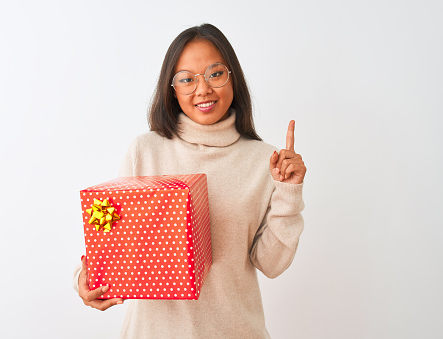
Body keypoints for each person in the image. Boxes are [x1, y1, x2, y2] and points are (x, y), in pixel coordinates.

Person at [74, 23, 306, 338]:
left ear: (232, 77)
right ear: (172, 88)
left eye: (215, 73)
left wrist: (289, 193)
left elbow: (271, 264)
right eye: (187, 79)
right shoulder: (146, 151)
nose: (203, 89)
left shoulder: (265, 161)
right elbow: (114, 240)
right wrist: (85, 279)